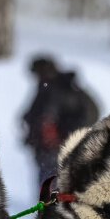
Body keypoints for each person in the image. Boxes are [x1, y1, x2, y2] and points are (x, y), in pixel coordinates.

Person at [22, 54, 100, 186]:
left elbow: (47, 118)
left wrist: (64, 134)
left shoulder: (57, 88)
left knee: (52, 189)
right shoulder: (59, 86)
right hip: (55, 150)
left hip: (55, 151)